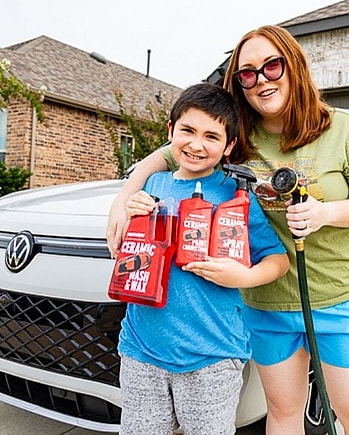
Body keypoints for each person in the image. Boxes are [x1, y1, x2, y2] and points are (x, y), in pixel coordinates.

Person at [107, 26, 349, 434]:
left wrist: (324, 213)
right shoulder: (239, 136)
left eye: (272, 66)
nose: (261, 79)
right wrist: (124, 197)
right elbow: (173, 150)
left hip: (336, 296)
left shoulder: (342, 128)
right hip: (265, 302)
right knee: (282, 413)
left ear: (293, 66)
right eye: (247, 73)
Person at [115, 83, 289, 435]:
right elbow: (124, 251)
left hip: (213, 355)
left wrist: (242, 277)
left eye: (212, 136)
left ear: (229, 146)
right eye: (188, 131)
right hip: (141, 350)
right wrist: (132, 213)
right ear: (170, 132)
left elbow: (278, 259)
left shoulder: (235, 195)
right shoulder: (151, 186)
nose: (196, 144)